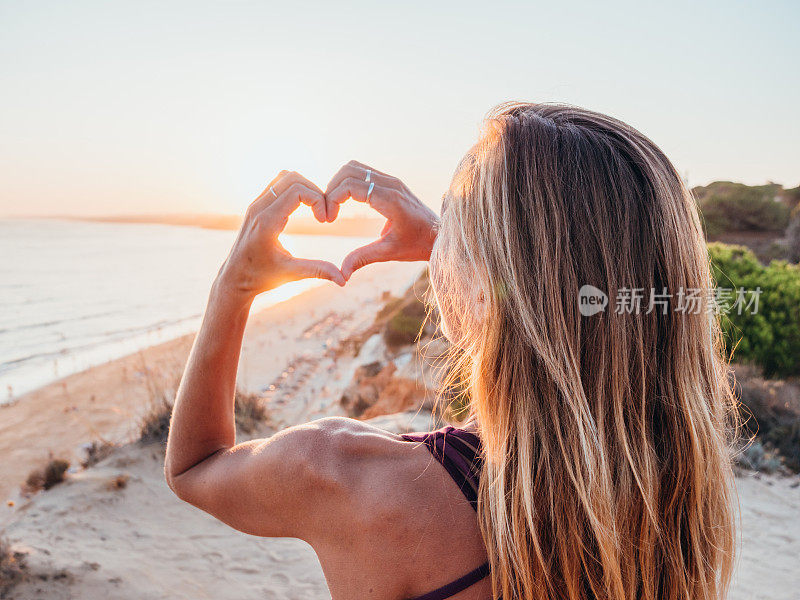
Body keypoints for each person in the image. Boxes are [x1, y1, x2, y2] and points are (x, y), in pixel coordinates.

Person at [165, 103, 737, 600]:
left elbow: (195, 467)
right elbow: (561, 301)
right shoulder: (671, 482)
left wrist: (233, 284)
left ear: (481, 291)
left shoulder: (347, 475)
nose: (439, 231)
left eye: (455, 218)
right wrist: (454, 247)